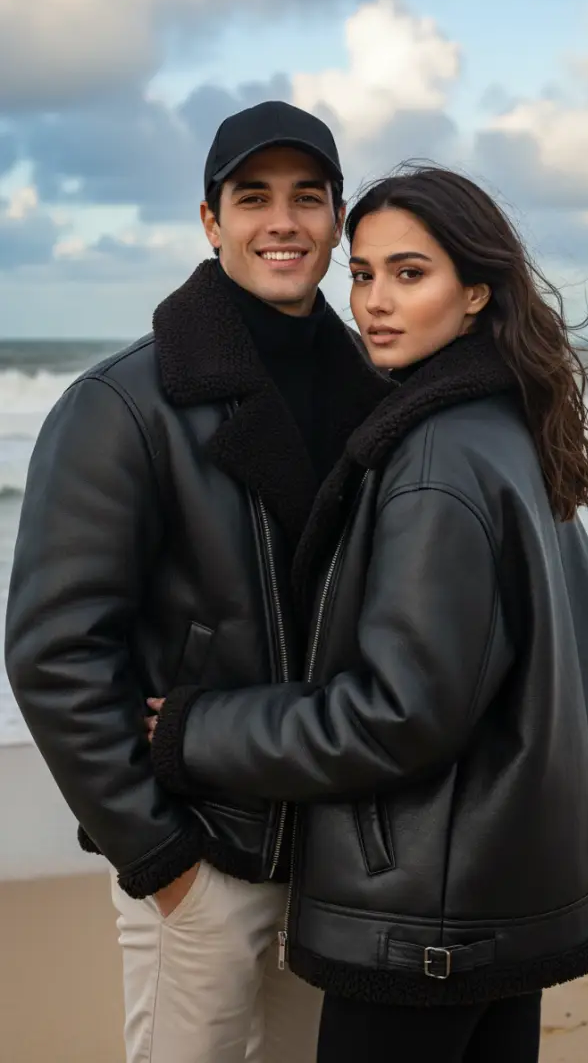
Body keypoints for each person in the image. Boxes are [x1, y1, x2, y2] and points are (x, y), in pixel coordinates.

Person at [147, 166, 588, 1062]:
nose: (374, 300)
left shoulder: (435, 461)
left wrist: (196, 727)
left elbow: (396, 714)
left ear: (477, 291)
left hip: (422, 916)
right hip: (495, 897)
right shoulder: (503, 425)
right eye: (363, 274)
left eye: (410, 274)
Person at [4, 101, 389, 1063]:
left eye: (309, 198)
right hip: (202, 851)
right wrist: (162, 859)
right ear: (211, 221)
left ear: (338, 221)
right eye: (252, 197)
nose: (282, 222)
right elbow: (53, 652)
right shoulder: (120, 406)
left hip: (336, 857)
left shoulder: (382, 400)